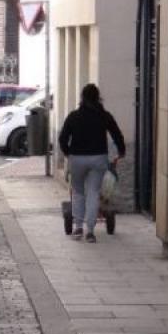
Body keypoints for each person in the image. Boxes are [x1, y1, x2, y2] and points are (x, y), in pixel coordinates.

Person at [58, 83, 125, 243]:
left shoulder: (74, 116)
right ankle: (91, 232)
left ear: (82, 98)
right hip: (98, 158)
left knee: (78, 192)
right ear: (98, 98)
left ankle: (78, 228)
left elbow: (62, 138)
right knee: (94, 193)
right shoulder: (104, 115)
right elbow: (116, 134)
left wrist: (68, 154)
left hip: (78, 159)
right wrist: (121, 151)